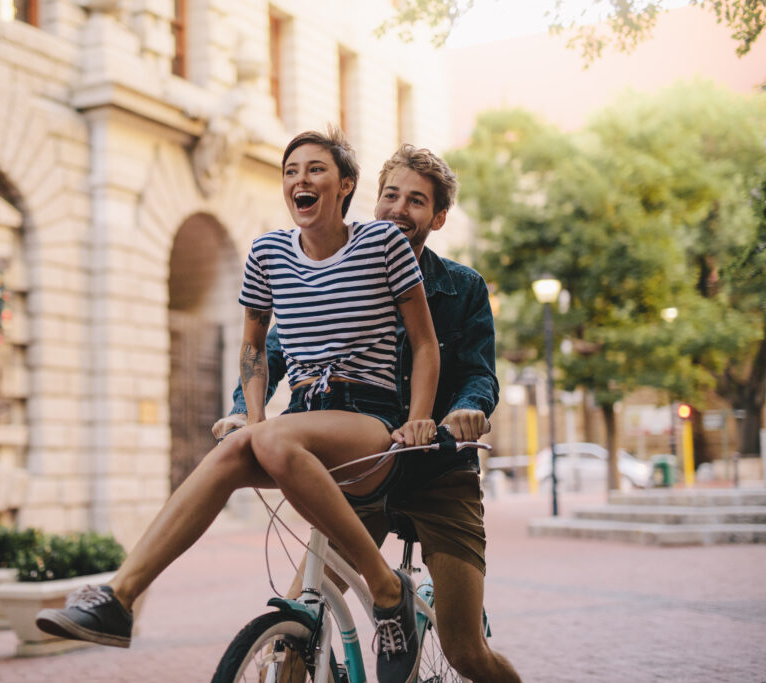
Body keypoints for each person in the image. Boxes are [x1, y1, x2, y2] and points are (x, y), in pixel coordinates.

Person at [37, 128, 441, 683]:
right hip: (301, 418)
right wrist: (252, 421)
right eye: (291, 170)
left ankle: (387, 590)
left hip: (369, 423)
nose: (301, 179)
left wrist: (418, 417)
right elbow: (253, 346)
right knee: (235, 449)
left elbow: (423, 342)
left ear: (346, 185)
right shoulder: (267, 252)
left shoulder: (383, 245)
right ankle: (119, 596)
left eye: (317, 169)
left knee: (271, 436)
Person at [215, 144, 521, 682]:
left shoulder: (463, 287)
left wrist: (466, 412)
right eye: (391, 195)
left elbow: (477, 372)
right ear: (372, 200)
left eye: (418, 201)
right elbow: (277, 352)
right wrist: (245, 413)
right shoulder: (338, 270)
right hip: (361, 471)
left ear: (439, 217)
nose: (400, 208)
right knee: (299, 623)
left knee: (465, 650)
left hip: (437, 469)